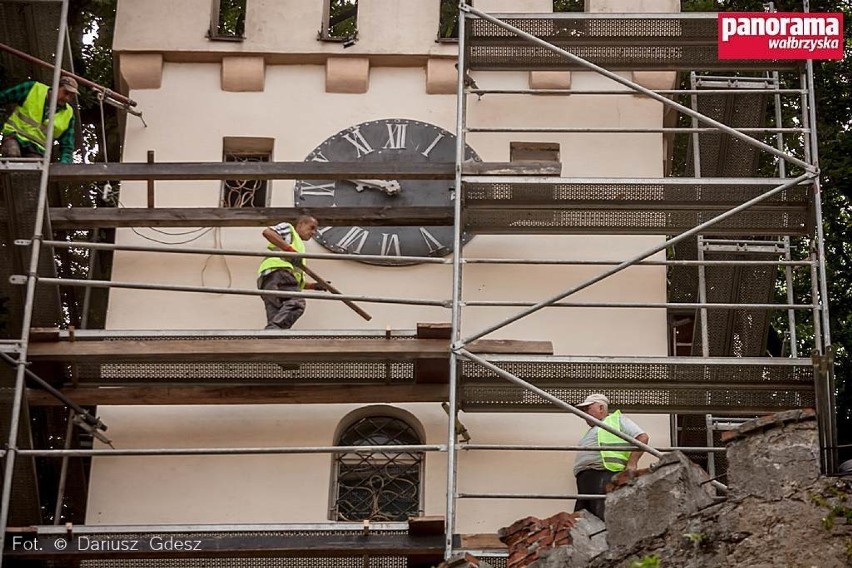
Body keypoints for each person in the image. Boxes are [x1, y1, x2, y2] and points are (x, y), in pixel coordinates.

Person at [573, 393, 649, 521]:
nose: (584, 414)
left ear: (601, 408)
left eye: (587, 409)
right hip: (587, 478)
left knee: (601, 513)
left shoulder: (617, 420)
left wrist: (632, 463)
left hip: (604, 474)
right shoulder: (594, 429)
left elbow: (642, 437)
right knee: (583, 518)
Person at [258, 215, 320, 329]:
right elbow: (268, 232)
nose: (313, 232)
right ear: (301, 224)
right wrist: (289, 250)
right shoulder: (289, 229)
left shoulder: (299, 246)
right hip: (279, 271)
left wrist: (313, 286)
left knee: (278, 314)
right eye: (312, 227)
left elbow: (294, 280)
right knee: (296, 303)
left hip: (270, 278)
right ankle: (273, 331)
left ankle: (271, 337)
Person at [0, 76, 78, 164]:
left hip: (37, 149)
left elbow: (67, 145)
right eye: (66, 93)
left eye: (71, 96)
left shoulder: (69, 114)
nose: (67, 98)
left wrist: (65, 164)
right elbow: (3, 96)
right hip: (15, 136)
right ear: (56, 87)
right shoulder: (32, 88)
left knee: (33, 173)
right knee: (12, 153)